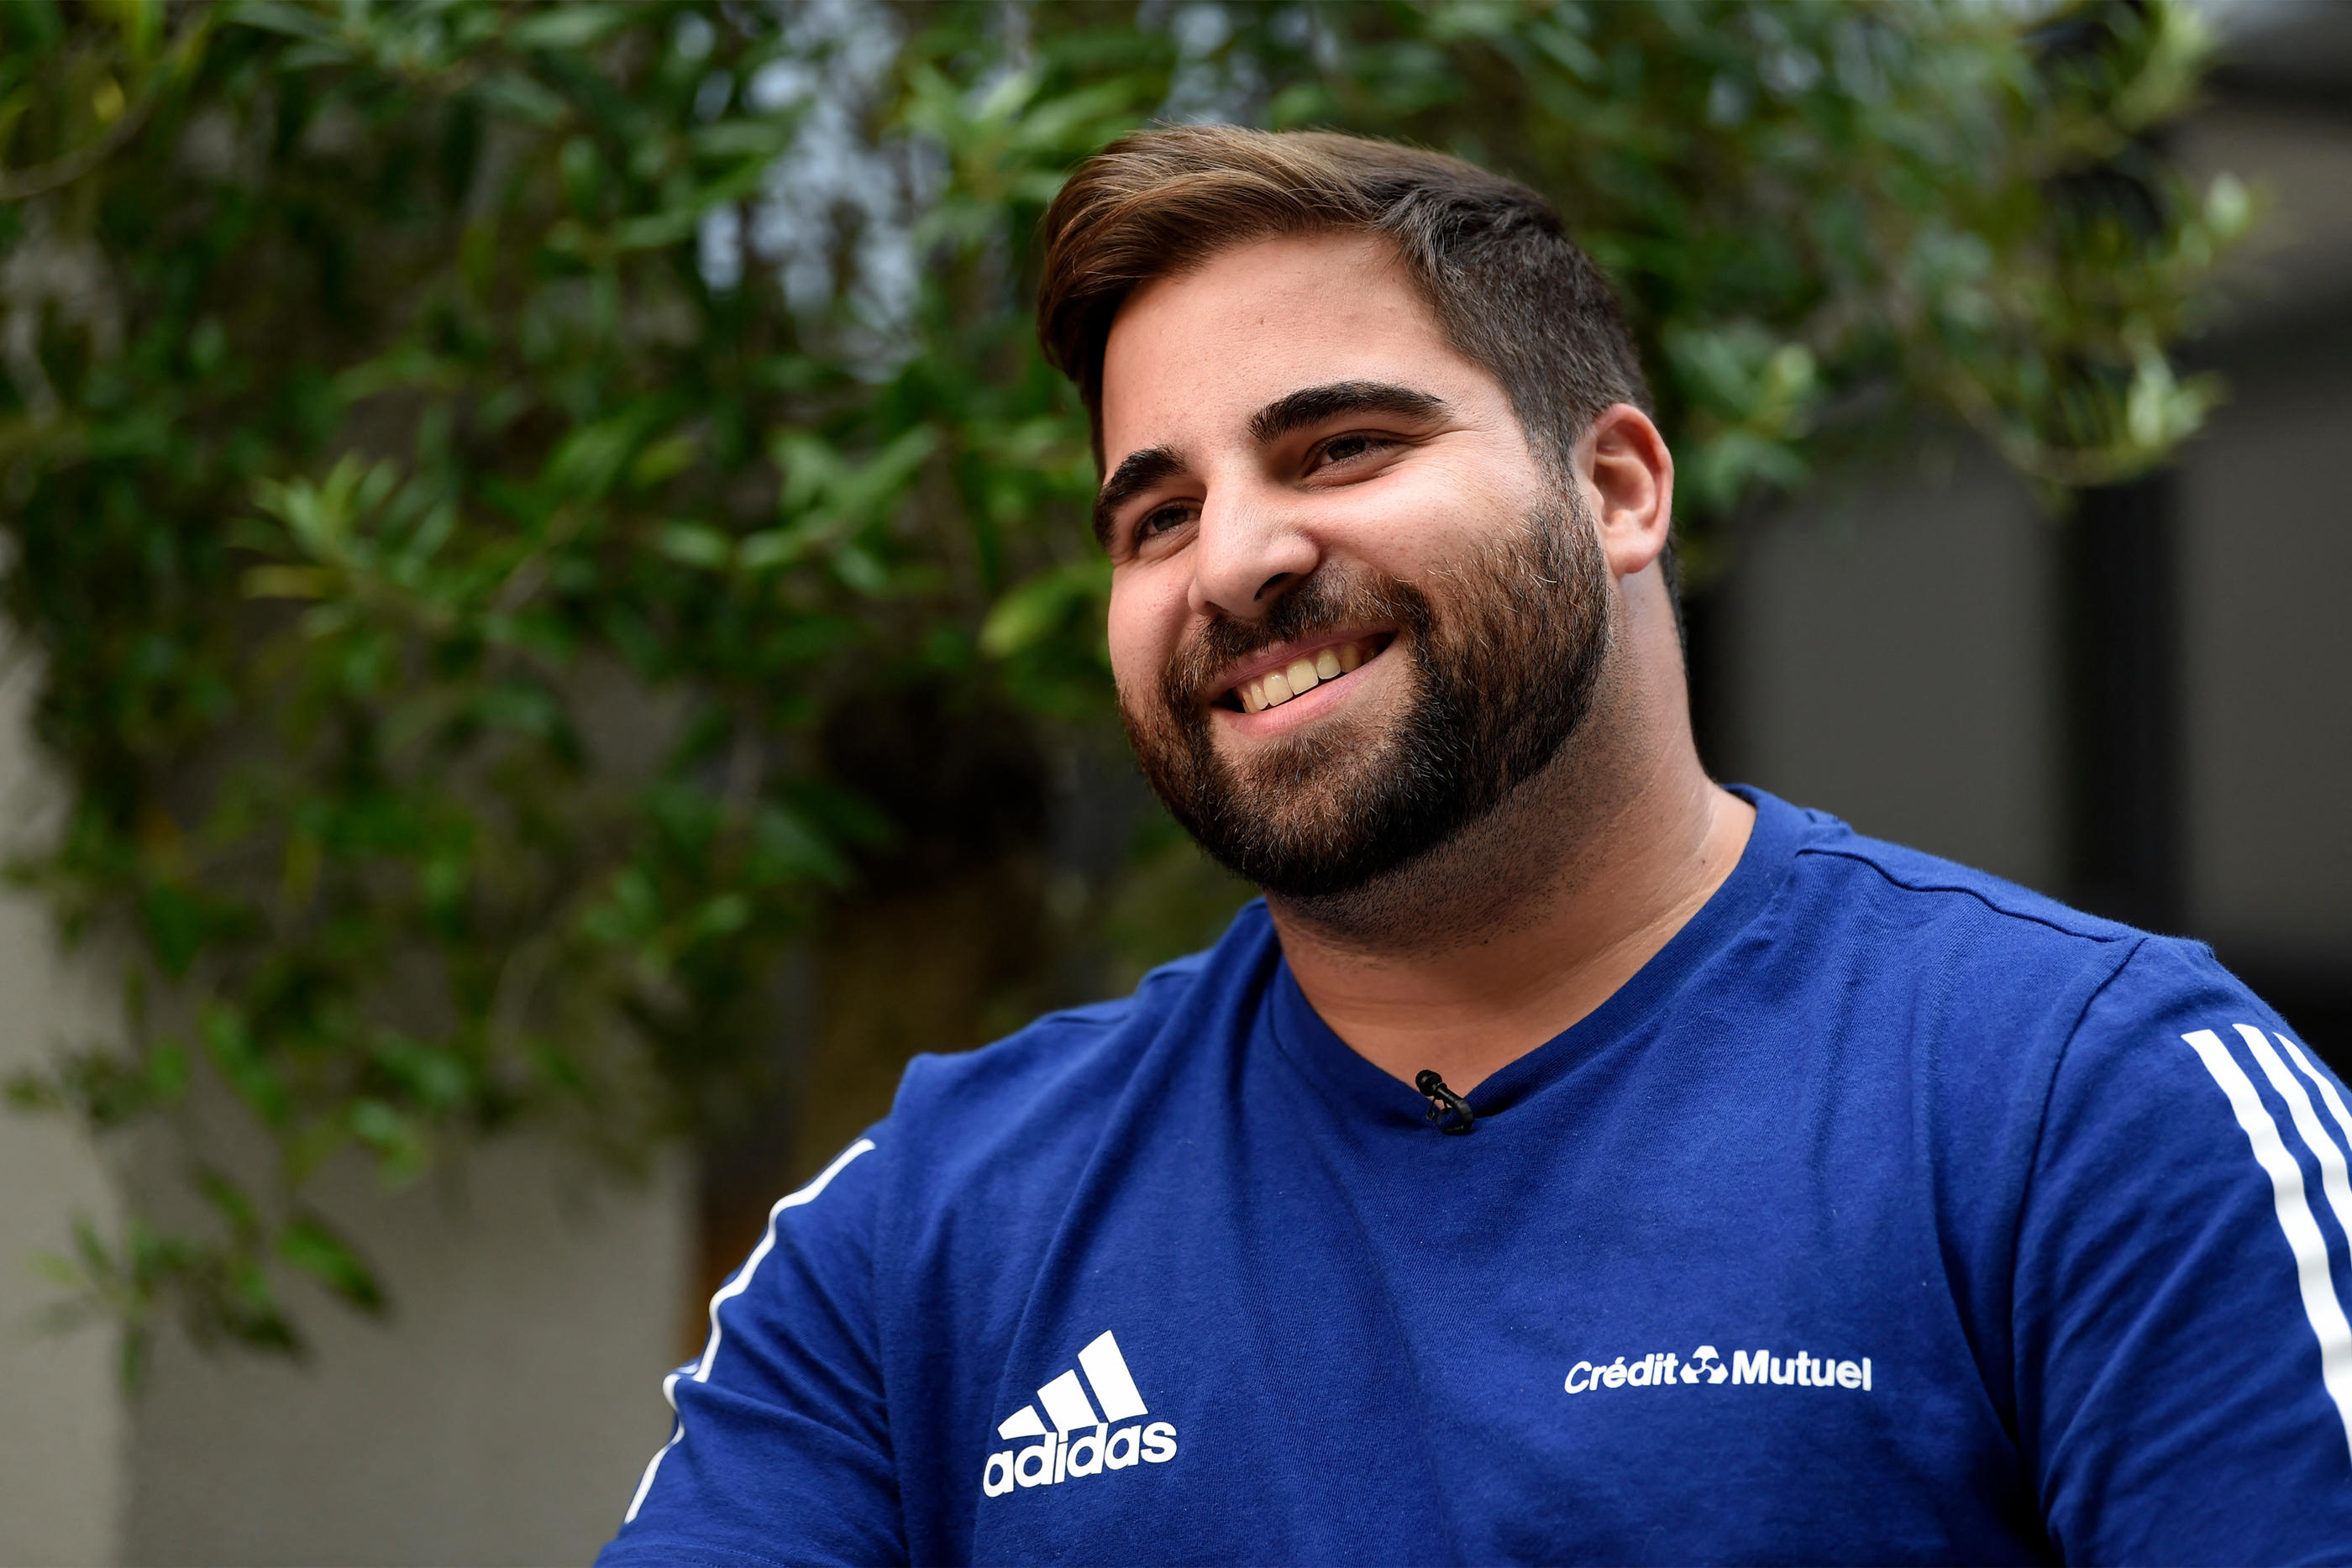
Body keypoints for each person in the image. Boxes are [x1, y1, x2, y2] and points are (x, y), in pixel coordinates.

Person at [597, 127, 2352, 1566]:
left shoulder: (2092, 1106)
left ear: (1615, 491)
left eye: (1339, 445)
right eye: (1156, 513)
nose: (1232, 561)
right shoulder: (925, 1229)